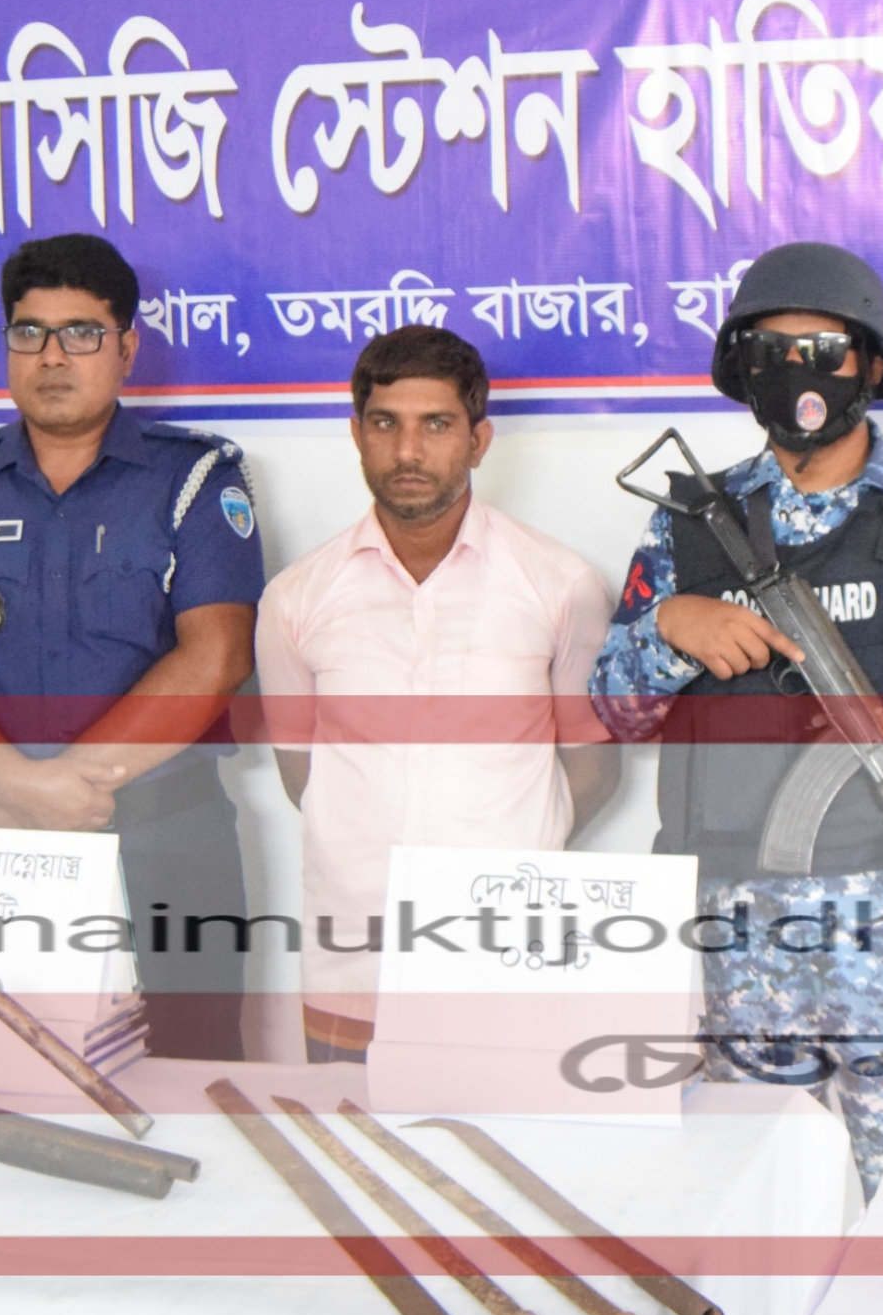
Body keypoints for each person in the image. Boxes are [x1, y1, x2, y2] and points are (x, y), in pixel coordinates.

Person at [590, 241, 883, 1194]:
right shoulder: (687, 528)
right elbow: (615, 713)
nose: (799, 372)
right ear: (741, 369)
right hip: (738, 931)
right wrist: (670, 627)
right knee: (754, 1204)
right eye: (773, 351)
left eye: (825, 350)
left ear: (871, 365)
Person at [0, 233, 262, 1060]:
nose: (52, 356)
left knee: (193, 1077)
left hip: (168, 844)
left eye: (82, 333)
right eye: (30, 332)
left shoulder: (194, 477)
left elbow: (217, 656)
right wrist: (18, 789)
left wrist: (57, 794)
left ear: (127, 348)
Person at [253, 326, 616, 1064]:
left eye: (437, 425)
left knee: (511, 1134)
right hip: (353, 960)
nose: (408, 451)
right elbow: (303, 774)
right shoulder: (295, 600)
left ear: (478, 441)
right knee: (349, 1133)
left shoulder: (560, 585)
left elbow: (592, 766)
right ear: (356, 435)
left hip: (505, 960)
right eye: (385, 424)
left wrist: (506, 860)